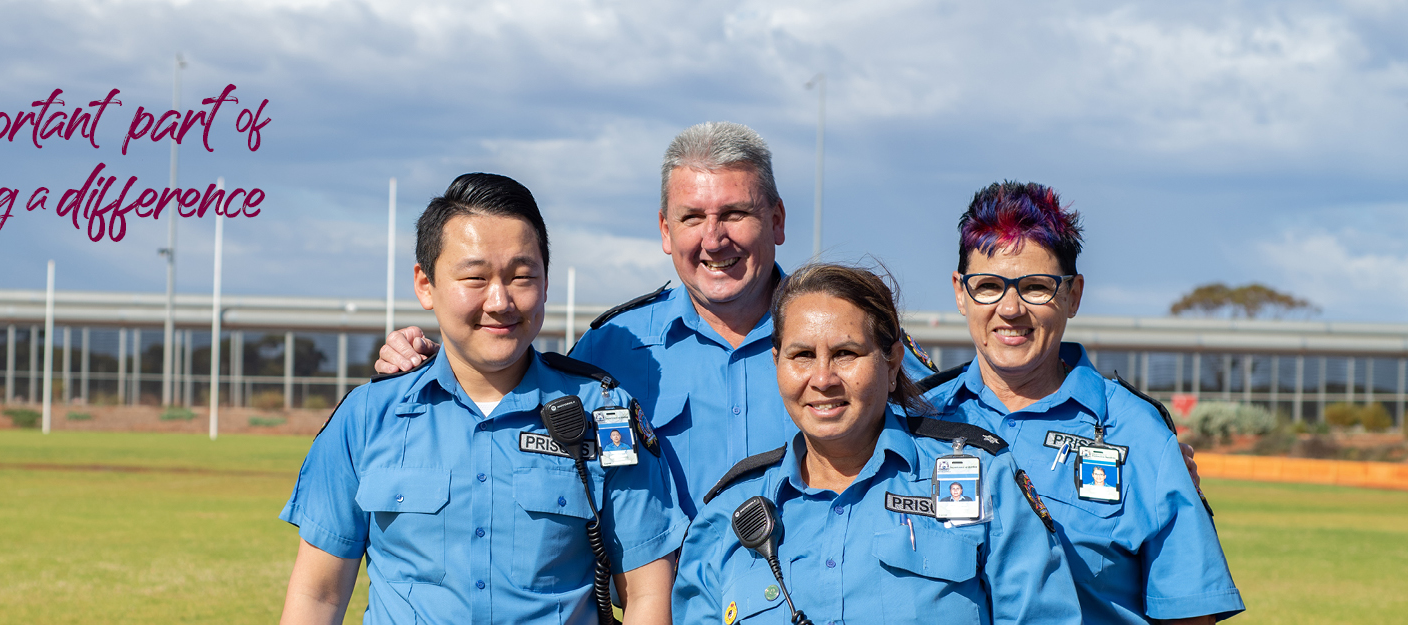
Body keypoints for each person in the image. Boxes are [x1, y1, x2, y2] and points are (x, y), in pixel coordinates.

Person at [375, 122, 939, 517]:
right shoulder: (609, 350)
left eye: (736, 214)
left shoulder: (861, 344)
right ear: (666, 232)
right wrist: (422, 361)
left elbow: (945, 443)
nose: (714, 238)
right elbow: (505, 414)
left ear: (777, 219)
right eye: (692, 217)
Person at [279, 173, 685, 625]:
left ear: (546, 283)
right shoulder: (365, 418)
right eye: (474, 277)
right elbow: (319, 597)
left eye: (522, 276)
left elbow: (647, 592)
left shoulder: (604, 415)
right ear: (425, 284)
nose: (500, 301)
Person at [674, 263, 1079, 624]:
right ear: (776, 363)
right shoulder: (727, 515)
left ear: (892, 362)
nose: (823, 378)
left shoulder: (984, 479)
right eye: (801, 355)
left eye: (845, 353)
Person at [919, 181, 1243, 623]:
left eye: (1036, 287)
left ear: (1073, 295)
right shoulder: (912, 421)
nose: (1010, 309)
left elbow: (1191, 614)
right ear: (960, 293)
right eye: (989, 285)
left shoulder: (1138, 432)